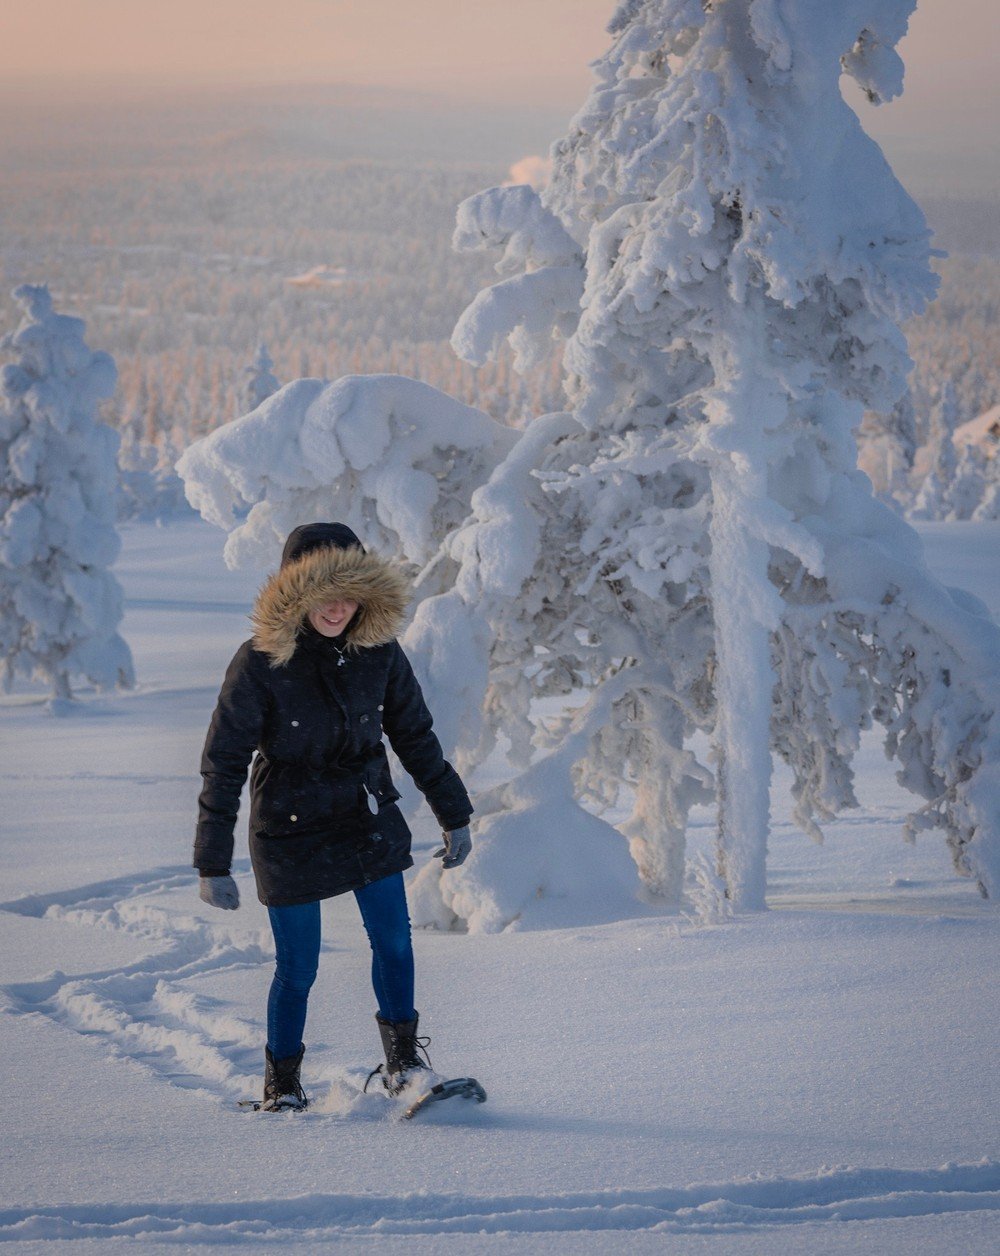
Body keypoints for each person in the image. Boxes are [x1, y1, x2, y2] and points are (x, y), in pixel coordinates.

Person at [193, 522, 473, 1111]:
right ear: (296, 593)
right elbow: (222, 763)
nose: (337, 607)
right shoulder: (259, 662)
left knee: (395, 944)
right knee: (299, 967)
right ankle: (283, 1086)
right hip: (288, 826)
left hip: (364, 814)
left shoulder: (379, 653)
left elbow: (415, 736)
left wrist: (455, 812)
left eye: (349, 592)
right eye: (324, 592)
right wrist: (213, 862)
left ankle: (403, 1069)